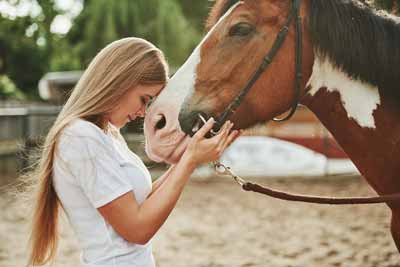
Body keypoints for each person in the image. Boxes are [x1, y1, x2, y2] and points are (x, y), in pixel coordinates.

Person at [25, 37, 240, 267]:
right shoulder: (81, 137)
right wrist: (189, 161)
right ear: (119, 81)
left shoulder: (107, 134)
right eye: (144, 99)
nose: (143, 112)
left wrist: (190, 156)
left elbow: (142, 200)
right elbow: (137, 230)